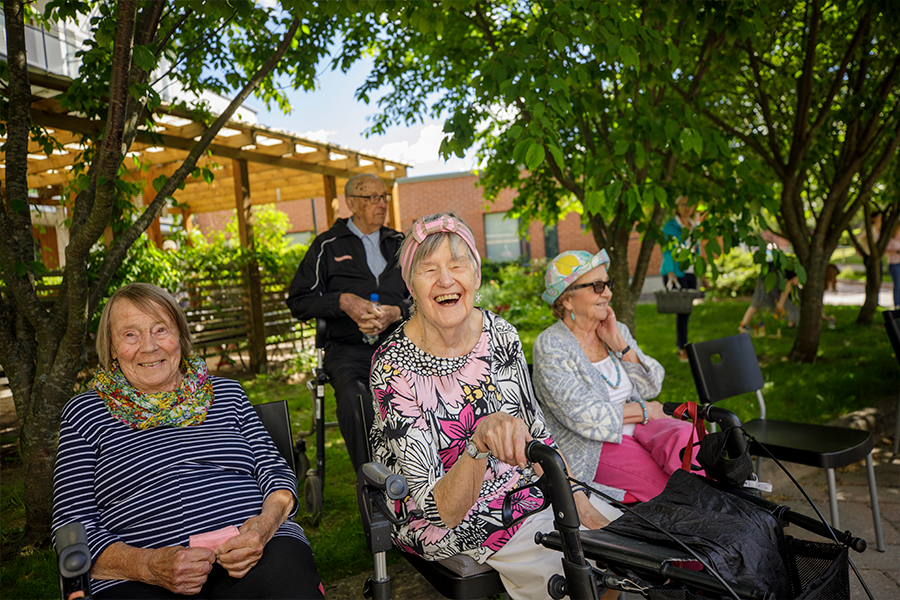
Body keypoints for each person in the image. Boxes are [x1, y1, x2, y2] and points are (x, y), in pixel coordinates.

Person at [369, 213, 622, 600]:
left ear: (476, 275)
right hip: (445, 515)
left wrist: (577, 501)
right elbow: (441, 511)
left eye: (458, 265)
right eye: (429, 269)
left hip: (520, 487)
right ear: (411, 285)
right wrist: (477, 442)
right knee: (578, 574)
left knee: (625, 548)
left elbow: (536, 430)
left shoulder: (499, 333)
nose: (447, 280)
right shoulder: (393, 366)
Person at [52, 283, 322, 599]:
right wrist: (148, 565)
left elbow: (275, 473)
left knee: (286, 581)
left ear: (180, 335)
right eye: (130, 335)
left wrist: (264, 527)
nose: (149, 347)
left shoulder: (227, 394)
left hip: (253, 552)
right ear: (111, 346)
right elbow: (71, 526)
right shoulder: (85, 412)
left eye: (160, 330)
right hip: (137, 577)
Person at [532, 250, 703, 504]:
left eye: (607, 284)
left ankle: (722, 516)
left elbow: (653, 385)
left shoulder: (614, 329)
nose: (608, 294)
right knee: (668, 489)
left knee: (692, 444)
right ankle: (703, 526)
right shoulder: (551, 345)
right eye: (597, 286)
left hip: (641, 428)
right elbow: (583, 417)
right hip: (592, 446)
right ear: (567, 299)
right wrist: (644, 410)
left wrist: (621, 346)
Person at [286, 173, 412, 471]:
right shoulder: (327, 246)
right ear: (352, 203)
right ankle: (375, 484)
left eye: (384, 197)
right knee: (357, 398)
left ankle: (420, 473)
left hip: (401, 346)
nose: (381, 204)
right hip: (347, 351)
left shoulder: (402, 244)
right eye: (372, 198)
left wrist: (396, 312)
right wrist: (341, 301)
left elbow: (422, 297)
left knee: (417, 391)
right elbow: (298, 300)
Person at [660, 195, 701, 362]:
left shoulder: (693, 225)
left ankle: (683, 345)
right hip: (676, 272)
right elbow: (667, 250)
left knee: (687, 310)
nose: (686, 207)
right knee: (683, 312)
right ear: (677, 207)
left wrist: (701, 272)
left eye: (689, 204)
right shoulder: (670, 226)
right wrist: (670, 270)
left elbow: (696, 249)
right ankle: (682, 348)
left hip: (690, 272)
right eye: (683, 204)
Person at [887, 222, 900, 309]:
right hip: (894, 264)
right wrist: (896, 252)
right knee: (897, 285)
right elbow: (885, 251)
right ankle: (897, 305)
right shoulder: (891, 239)